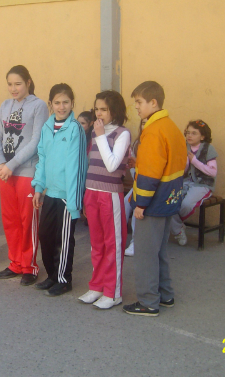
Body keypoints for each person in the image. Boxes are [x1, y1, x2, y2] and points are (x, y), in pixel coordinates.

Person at [123, 81, 187, 317]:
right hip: (170, 199)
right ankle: (165, 294)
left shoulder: (153, 131)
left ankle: (148, 301)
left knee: (145, 253)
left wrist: (141, 204)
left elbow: (150, 174)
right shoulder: (171, 127)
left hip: (153, 202)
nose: (136, 107)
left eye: (139, 102)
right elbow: (172, 162)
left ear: (153, 103)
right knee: (159, 250)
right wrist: (138, 163)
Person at [0, 65, 48, 286]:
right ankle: (15, 263)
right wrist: (2, 163)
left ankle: (29, 266)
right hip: (7, 173)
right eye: (10, 84)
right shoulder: (5, 105)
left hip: (26, 173)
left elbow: (35, 141)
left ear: (28, 82)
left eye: (18, 84)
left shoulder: (39, 106)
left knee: (28, 221)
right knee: (11, 220)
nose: (13, 89)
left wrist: (12, 165)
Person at [31, 84, 88, 297]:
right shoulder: (47, 126)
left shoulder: (75, 129)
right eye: (57, 102)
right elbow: (42, 158)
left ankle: (64, 280)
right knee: (45, 236)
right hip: (50, 193)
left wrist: (74, 202)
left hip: (66, 197)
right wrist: (38, 186)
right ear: (50, 104)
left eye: (66, 102)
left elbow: (77, 167)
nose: (61, 106)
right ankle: (52, 275)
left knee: (63, 240)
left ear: (72, 103)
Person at [79, 90, 130, 309]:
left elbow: (112, 165)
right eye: (96, 109)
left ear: (114, 111)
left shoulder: (122, 133)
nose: (98, 113)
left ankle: (113, 292)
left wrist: (100, 135)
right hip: (92, 191)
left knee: (113, 244)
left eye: (104, 109)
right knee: (96, 244)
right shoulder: (95, 133)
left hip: (110, 195)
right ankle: (96, 286)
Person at [171, 120, 218, 246]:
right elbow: (182, 169)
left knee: (185, 204)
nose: (189, 136)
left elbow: (213, 172)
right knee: (170, 202)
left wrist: (195, 161)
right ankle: (178, 229)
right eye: (188, 133)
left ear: (202, 136)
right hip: (185, 182)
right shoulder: (183, 146)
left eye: (194, 133)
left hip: (202, 184)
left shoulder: (208, 148)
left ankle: (176, 226)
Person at [123, 119, 146, 257]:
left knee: (138, 208)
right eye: (142, 123)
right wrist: (132, 165)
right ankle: (119, 237)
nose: (145, 125)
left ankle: (135, 243)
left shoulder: (156, 140)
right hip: (139, 183)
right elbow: (134, 171)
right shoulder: (137, 143)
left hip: (154, 185)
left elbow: (152, 167)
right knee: (125, 203)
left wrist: (137, 164)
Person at [77, 110, 95, 226]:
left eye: (83, 123)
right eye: (78, 123)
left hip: (89, 170)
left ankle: (89, 214)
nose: (79, 126)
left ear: (91, 124)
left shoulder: (93, 138)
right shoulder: (77, 135)